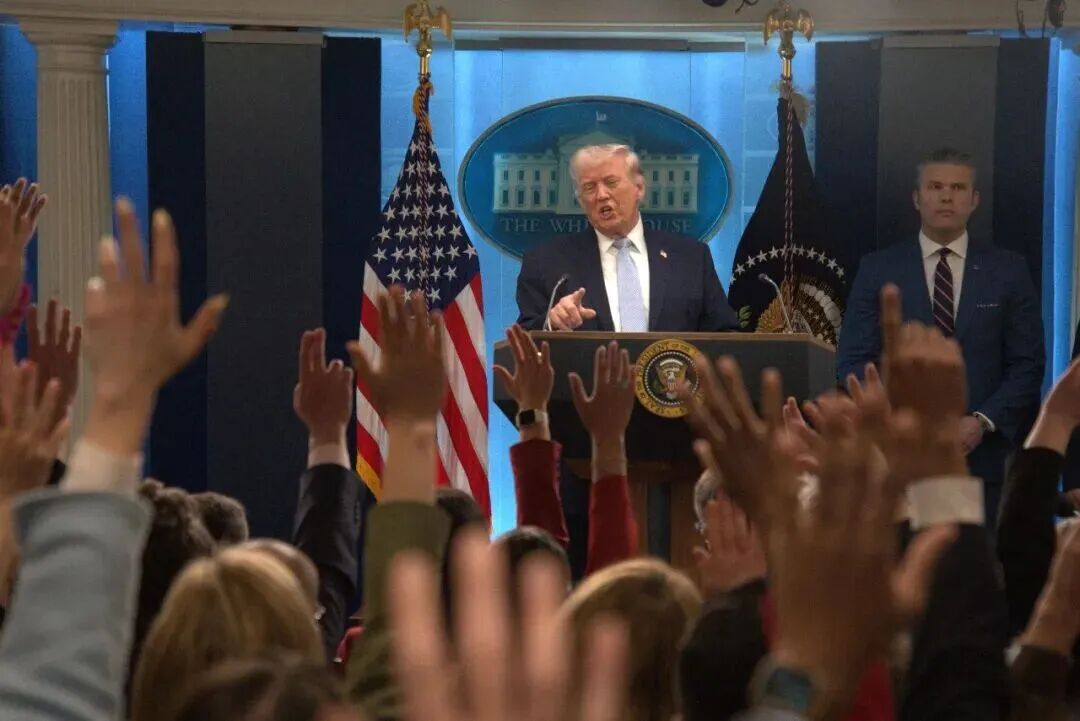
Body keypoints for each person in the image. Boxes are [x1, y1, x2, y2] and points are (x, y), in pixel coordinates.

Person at [837, 147, 1045, 525]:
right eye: (935, 187)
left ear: (974, 200)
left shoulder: (1008, 271)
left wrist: (981, 421)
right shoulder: (878, 269)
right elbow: (853, 361)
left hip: (984, 462)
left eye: (957, 187)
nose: (946, 196)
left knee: (975, 562)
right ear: (917, 199)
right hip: (898, 462)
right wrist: (901, 423)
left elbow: (1028, 364)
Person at [515, 144, 738, 333]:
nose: (601, 195)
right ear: (581, 200)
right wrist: (552, 323)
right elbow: (522, 342)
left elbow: (724, 335)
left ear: (639, 188)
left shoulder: (690, 258)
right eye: (589, 187)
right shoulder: (545, 263)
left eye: (611, 182)